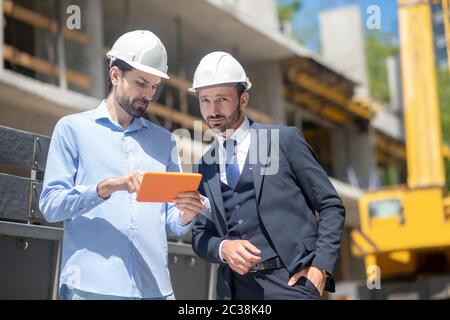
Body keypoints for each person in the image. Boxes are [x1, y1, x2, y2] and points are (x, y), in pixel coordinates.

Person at [39, 30, 205, 300]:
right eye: (141, 83)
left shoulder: (165, 142)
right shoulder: (72, 129)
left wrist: (186, 213)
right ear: (115, 75)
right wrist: (107, 187)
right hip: (92, 288)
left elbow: (172, 223)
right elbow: (51, 206)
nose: (148, 94)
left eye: (153, 87)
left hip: (155, 290)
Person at [190, 52, 345, 300]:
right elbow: (200, 235)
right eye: (205, 100)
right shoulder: (205, 165)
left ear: (243, 99)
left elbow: (330, 206)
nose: (213, 110)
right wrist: (223, 247)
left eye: (222, 99)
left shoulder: (284, 140)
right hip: (235, 292)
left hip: (292, 284)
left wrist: (319, 269)